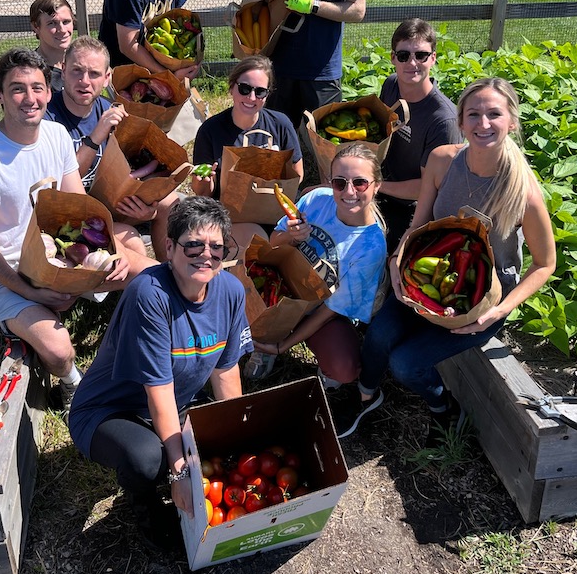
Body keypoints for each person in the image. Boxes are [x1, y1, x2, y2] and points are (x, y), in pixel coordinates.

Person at [335, 78, 556, 446]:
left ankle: (443, 409)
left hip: (480, 300)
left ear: (512, 122)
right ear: (461, 120)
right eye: (474, 114)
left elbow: (545, 264)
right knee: (378, 335)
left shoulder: (523, 191)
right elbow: (418, 224)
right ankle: (365, 397)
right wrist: (397, 261)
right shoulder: (442, 161)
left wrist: (498, 312)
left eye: (494, 114)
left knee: (406, 364)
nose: (483, 124)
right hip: (426, 279)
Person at [0, 49, 139, 413]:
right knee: (57, 350)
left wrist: (110, 253)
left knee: (147, 274)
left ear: (49, 92)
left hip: (64, 252)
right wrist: (30, 291)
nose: (29, 98)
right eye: (17, 89)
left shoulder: (54, 135)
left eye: (37, 87)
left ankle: (134, 358)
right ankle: (75, 386)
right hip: (9, 272)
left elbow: (79, 206)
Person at [68, 196, 249, 550]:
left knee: (220, 443)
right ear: (169, 247)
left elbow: (226, 374)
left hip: (175, 404)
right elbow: (158, 389)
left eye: (217, 246)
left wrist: (237, 439)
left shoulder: (230, 292)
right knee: (149, 459)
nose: (206, 255)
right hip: (110, 411)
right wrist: (179, 470)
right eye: (193, 244)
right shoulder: (150, 295)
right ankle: (147, 510)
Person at [246, 143, 387, 385]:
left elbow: (332, 309)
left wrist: (282, 346)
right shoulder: (318, 200)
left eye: (360, 183)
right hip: (281, 286)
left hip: (321, 308)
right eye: (340, 183)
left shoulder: (371, 246)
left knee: (344, 369)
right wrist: (291, 237)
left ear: (377, 186)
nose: (349, 192)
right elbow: (273, 244)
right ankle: (265, 331)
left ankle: (276, 340)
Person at [44, 35, 180, 261]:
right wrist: (96, 135)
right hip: (71, 215)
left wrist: (150, 210)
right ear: (63, 69)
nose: (85, 81)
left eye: (94, 74)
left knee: (170, 203)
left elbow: (124, 170)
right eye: (77, 71)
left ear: (107, 78)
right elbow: (61, 181)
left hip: (107, 204)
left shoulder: (110, 111)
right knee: (134, 241)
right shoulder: (48, 117)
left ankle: (171, 277)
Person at [191, 55, 303, 251]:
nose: (252, 98)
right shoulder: (211, 130)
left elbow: (298, 175)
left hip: (277, 215)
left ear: (267, 95)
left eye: (260, 92)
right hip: (231, 217)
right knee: (254, 239)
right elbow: (203, 193)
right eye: (245, 89)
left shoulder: (280, 124)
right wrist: (205, 182)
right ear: (232, 87)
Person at [376, 19, 460, 254]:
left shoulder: (443, 120)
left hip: (412, 208)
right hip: (381, 185)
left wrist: (377, 186)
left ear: (433, 58)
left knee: (379, 257)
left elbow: (429, 188)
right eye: (403, 56)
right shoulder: (391, 85)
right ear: (393, 58)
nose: (412, 63)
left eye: (421, 55)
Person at [30, 0, 74, 91]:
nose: (62, 29)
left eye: (66, 22)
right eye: (52, 23)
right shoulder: (32, 72)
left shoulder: (81, 63)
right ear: (36, 26)